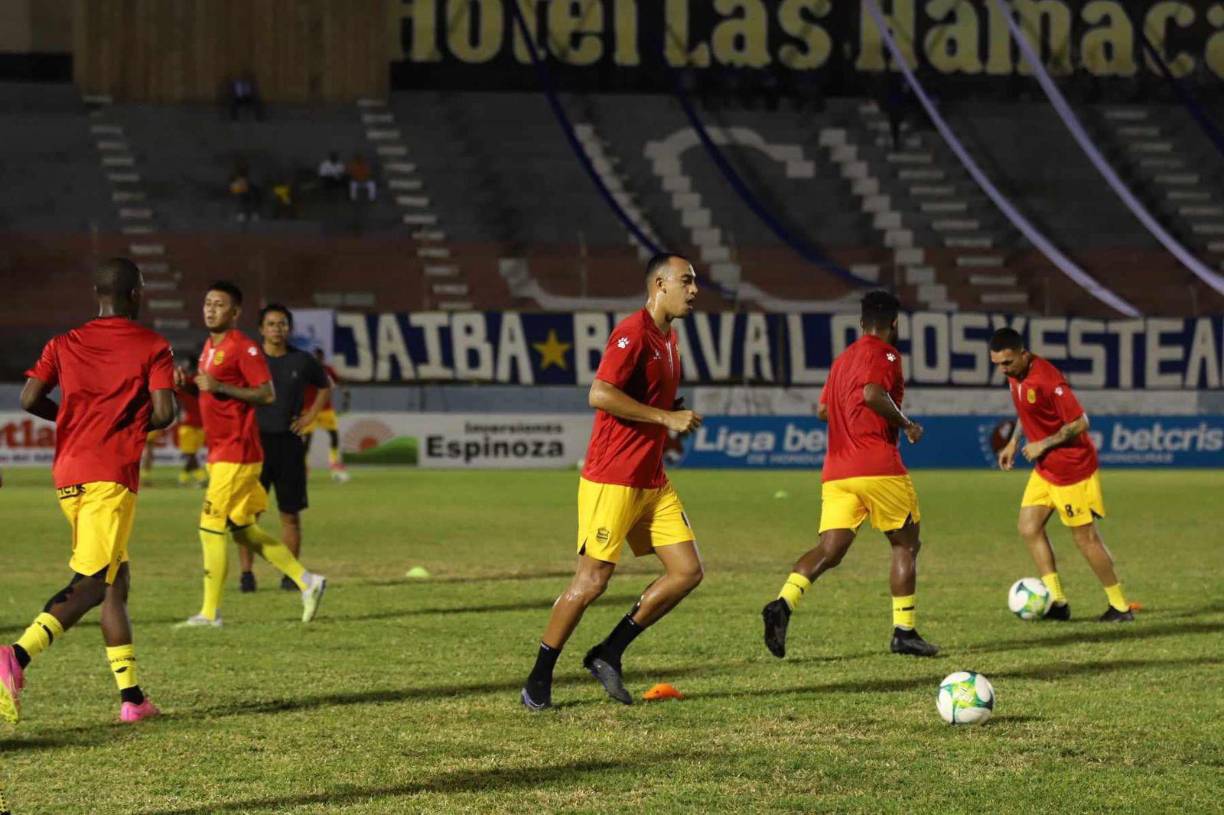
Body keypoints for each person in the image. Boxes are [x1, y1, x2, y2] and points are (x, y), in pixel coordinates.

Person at [521, 254, 704, 711]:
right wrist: (665, 416)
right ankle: (537, 679)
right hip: (614, 478)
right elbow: (599, 393)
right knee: (591, 582)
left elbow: (639, 395)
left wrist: (664, 406)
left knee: (687, 572)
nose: (694, 290)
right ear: (660, 284)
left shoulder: (668, 338)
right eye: (687, 281)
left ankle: (609, 652)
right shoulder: (633, 332)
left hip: (651, 478)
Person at [0, 257, 176, 724]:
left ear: (97, 294)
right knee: (93, 584)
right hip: (110, 475)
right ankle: (15, 657)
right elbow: (165, 412)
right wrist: (126, 425)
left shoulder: (63, 342)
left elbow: (29, 399)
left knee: (116, 581)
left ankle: (133, 699)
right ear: (136, 293)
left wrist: (78, 422)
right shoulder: (153, 345)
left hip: (69, 473)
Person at [763, 291, 938, 659]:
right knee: (905, 544)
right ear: (894, 323)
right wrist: (906, 424)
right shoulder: (886, 353)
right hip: (877, 466)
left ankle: (783, 603)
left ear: (861, 323)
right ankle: (904, 632)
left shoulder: (842, 361)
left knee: (830, 549)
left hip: (837, 471)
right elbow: (874, 393)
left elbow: (824, 410)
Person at [177, 281, 327, 627]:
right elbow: (208, 391)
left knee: (209, 525)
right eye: (207, 303)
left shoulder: (244, 348)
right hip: (221, 451)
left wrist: (221, 387)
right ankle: (308, 582)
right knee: (243, 529)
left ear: (235, 313)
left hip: (239, 452)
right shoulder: (209, 347)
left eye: (219, 304)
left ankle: (210, 613)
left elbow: (266, 393)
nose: (211, 309)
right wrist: (184, 382)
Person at [988, 329, 1134, 622]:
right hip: (1046, 469)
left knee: (1086, 539)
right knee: (1029, 527)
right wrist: (1014, 442)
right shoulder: (1016, 376)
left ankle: (1119, 607)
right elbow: (1026, 410)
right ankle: (1057, 602)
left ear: (1023, 354)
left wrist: (1044, 443)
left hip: (1072, 469)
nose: (1002, 370)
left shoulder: (1047, 380)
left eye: (1007, 363)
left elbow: (1081, 422)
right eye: (997, 364)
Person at [237, 304, 330, 593]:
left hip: (289, 446)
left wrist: (310, 415)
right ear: (262, 329)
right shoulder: (249, 360)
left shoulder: (302, 361)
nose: (277, 329)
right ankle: (247, 574)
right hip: (255, 445)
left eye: (282, 324)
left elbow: (325, 386)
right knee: (247, 516)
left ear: (289, 329)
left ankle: (290, 575)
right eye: (271, 324)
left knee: (290, 514)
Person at [303, 348, 350, 483]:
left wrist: (345, 392)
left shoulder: (328, 369)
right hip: (309, 410)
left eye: (320, 357)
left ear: (322, 358)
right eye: (315, 357)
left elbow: (338, 381)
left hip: (325, 409)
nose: (318, 359)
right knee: (307, 441)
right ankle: (304, 467)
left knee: (334, 435)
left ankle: (334, 463)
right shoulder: (305, 371)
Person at [175, 357, 208, 488]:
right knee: (191, 454)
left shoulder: (184, 384)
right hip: (201, 423)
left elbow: (175, 390)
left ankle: (202, 478)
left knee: (190, 454)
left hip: (188, 424)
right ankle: (183, 479)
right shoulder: (202, 382)